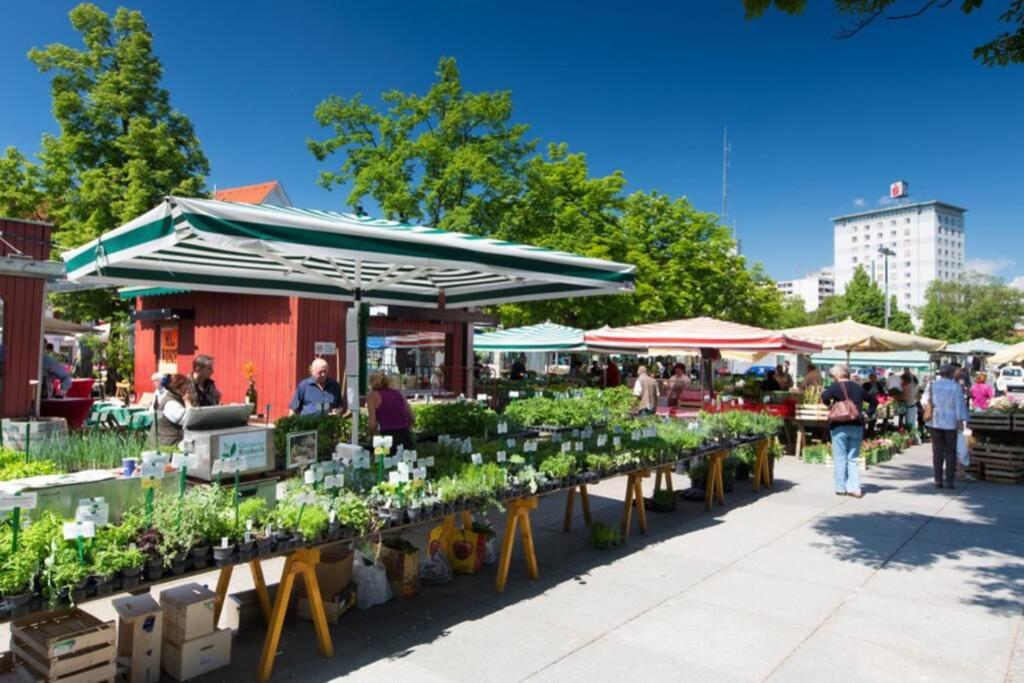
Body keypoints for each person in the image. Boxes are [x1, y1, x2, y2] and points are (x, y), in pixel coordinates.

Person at [821, 364, 876, 498]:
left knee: (840, 458)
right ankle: (855, 488)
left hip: (839, 426)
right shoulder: (858, 387)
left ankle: (840, 488)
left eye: (834, 376)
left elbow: (824, 396)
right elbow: (873, 401)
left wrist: (830, 405)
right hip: (857, 425)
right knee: (853, 459)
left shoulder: (835, 387)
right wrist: (868, 414)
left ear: (838, 375)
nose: (833, 378)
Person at [921, 363, 969, 489]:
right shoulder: (955, 387)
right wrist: (961, 419)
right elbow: (959, 404)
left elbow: (924, 401)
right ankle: (949, 481)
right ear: (952, 373)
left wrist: (931, 407)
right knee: (950, 451)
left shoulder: (933, 385)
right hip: (951, 421)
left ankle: (938, 480)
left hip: (935, 420)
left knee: (937, 451)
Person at [367, 372, 415, 454]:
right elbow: (412, 417)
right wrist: (408, 428)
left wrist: (374, 436)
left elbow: (372, 425)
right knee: (407, 464)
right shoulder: (399, 393)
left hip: (385, 437)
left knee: (383, 464)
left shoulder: (372, 396)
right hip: (405, 436)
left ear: (371, 384)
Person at [157, 373, 192, 446]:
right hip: (170, 445)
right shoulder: (171, 404)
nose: (189, 388)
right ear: (178, 387)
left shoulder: (173, 399)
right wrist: (187, 400)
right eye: (186, 385)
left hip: (171, 442)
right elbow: (189, 420)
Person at [901, 369, 921, 435]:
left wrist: (898, 397)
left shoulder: (906, 386)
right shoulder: (914, 385)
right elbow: (917, 396)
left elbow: (906, 398)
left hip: (909, 407)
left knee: (909, 425)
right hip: (913, 406)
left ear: (905, 379)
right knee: (913, 425)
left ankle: (914, 439)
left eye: (902, 379)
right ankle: (916, 439)